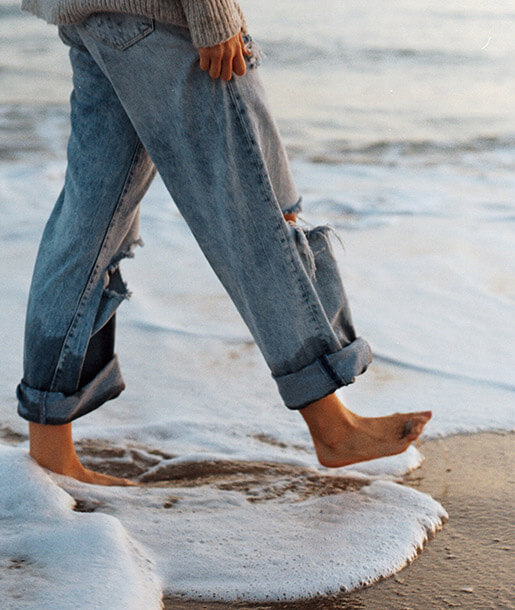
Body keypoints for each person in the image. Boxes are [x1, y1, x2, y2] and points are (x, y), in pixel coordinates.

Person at [18, 0, 431, 485]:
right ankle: (333, 429)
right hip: (157, 13)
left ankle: (50, 448)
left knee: (86, 228)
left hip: (86, 12)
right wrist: (212, 11)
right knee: (259, 214)